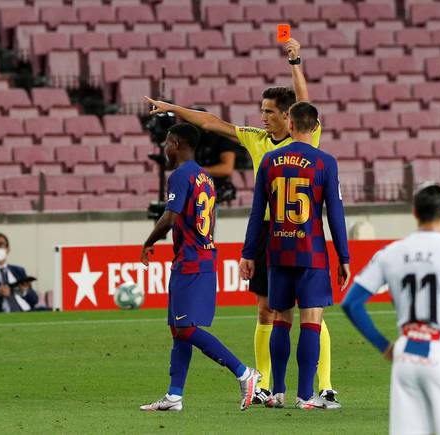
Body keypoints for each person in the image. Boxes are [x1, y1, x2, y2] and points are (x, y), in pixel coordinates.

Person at [145, 37, 342, 408]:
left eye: (268, 111)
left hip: (301, 231)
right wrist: (171, 108)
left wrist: (295, 60)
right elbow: (210, 122)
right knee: (267, 308)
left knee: (309, 310)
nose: (261, 116)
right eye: (261, 110)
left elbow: (304, 99)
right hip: (269, 233)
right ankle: (265, 383)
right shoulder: (255, 139)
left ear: (288, 116)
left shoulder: (308, 135)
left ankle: (325, 383)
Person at [342, 184, 440, 434]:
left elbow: (351, 303)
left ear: (414, 213)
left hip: (405, 356)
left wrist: (384, 346)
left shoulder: (389, 253)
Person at [139, 123, 260, 412]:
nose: (164, 148)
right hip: (197, 256)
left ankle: (245, 373)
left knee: (185, 328)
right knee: (177, 329)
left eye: (167, 142)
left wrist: (147, 242)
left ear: (177, 144)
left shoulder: (180, 176)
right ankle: (174, 396)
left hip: (192, 260)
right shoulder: (204, 176)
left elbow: (170, 217)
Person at [239, 102, 350, 409]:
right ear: (315, 128)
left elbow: (256, 210)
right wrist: (344, 256)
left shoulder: (270, 160)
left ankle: (276, 391)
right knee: (311, 321)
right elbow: (335, 212)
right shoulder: (325, 161)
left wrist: (248, 253)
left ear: (289, 125)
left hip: (276, 251)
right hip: (311, 252)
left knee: (281, 320)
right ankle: (306, 395)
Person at [191, 107, 238, 204]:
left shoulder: (222, 137)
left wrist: (198, 171)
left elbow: (227, 169)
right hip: (197, 192)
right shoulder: (193, 140)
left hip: (217, 192)